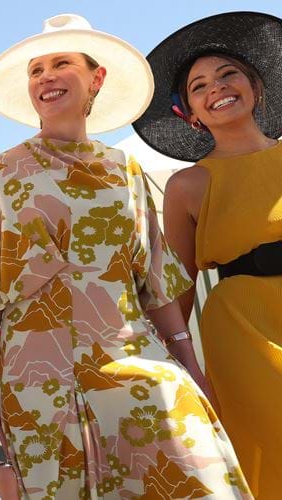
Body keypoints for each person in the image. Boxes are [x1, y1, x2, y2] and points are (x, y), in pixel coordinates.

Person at [0, 14, 251, 498]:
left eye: (61, 63)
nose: (46, 76)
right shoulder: (0, 172)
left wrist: (190, 367)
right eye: (36, 70)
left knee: (197, 473)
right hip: (34, 368)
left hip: (129, 350)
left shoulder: (125, 170)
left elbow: (154, 278)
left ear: (96, 78)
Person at [132, 11, 282, 497]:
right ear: (190, 112)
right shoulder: (187, 185)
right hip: (241, 330)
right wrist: (176, 368)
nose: (216, 88)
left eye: (227, 74)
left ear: (254, 87)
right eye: (198, 86)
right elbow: (177, 287)